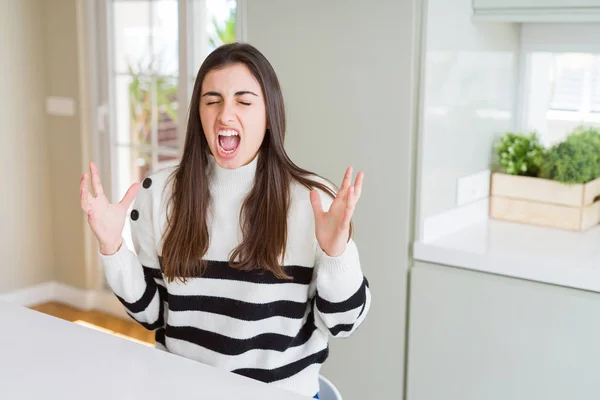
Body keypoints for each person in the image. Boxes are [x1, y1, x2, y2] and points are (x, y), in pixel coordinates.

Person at [80, 42, 371, 399]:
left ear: (269, 116)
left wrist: (335, 253)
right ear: (198, 113)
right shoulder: (160, 195)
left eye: (244, 102)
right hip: (182, 390)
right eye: (212, 100)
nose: (225, 114)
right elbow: (154, 315)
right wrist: (113, 249)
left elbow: (343, 324)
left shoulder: (313, 201)